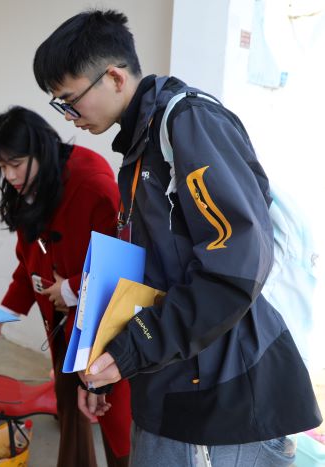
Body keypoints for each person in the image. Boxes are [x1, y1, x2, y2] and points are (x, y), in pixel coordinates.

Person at [33, 9, 322, 466]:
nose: (70, 118)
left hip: (222, 402)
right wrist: (108, 360)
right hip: (173, 385)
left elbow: (234, 269)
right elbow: (155, 273)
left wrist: (134, 347)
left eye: (70, 101)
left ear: (114, 77)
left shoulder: (188, 123)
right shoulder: (140, 144)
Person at [0, 106, 130, 467]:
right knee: (70, 405)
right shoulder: (27, 188)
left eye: (16, 164)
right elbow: (29, 258)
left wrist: (72, 289)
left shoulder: (93, 186)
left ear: (41, 151)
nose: (9, 175)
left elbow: (122, 262)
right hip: (61, 324)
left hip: (104, 325)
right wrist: (9, 309)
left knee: (115, 417)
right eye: (2, 166)